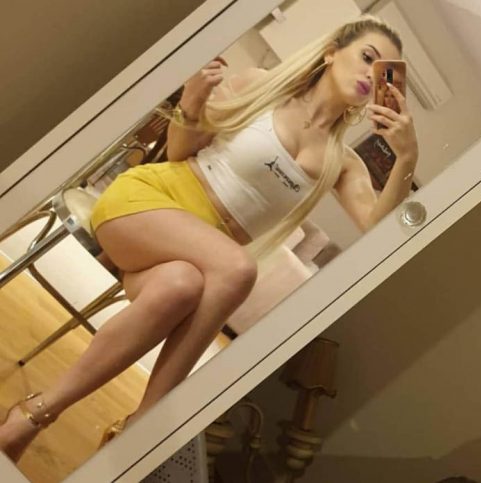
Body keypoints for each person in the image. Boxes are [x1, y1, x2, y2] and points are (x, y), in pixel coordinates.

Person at [0, 15, 418, 462]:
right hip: (149, 202)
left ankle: (32, 415)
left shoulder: (343, 163)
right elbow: (182, 151)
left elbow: (379, 230)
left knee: (180, 287)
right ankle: (143, 430)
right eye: (367, 57)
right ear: (332, 52)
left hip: (193, 263)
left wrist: (407, 156)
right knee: (239, 267)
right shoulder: (260, 86)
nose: (370, 75)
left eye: (384, 74)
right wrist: (192, 101)